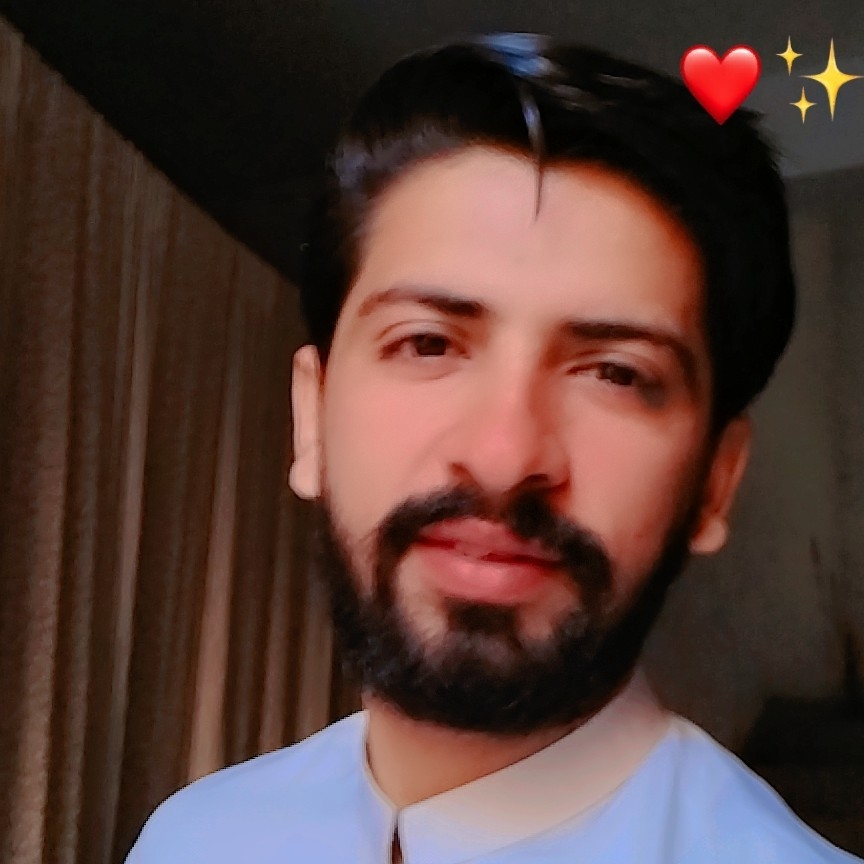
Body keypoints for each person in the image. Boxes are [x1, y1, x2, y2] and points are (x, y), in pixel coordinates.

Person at [125, 33, 862, 864]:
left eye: (616, 373)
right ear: (312, 419)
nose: (505, 457)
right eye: (428, 343)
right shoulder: (191, 836)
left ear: (715, 485)